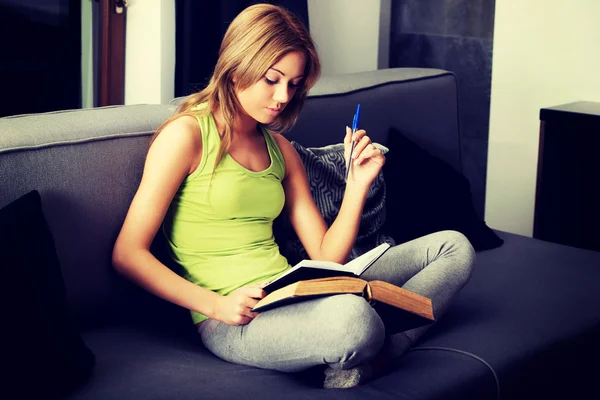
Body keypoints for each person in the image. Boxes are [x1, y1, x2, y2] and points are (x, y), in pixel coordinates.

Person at [112, 3, 475, 389]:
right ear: (238, 64)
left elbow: (325, 255)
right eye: (272, 79)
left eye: (294, 83)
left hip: (292, 288)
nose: (283, 96)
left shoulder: (280, 149)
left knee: (453, 248)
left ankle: (376, 357)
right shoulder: (186, 136)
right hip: (233, 317)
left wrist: (356, 185)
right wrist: (215, 304)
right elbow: (128, 254)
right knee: (353, 320)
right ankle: (367, 344)